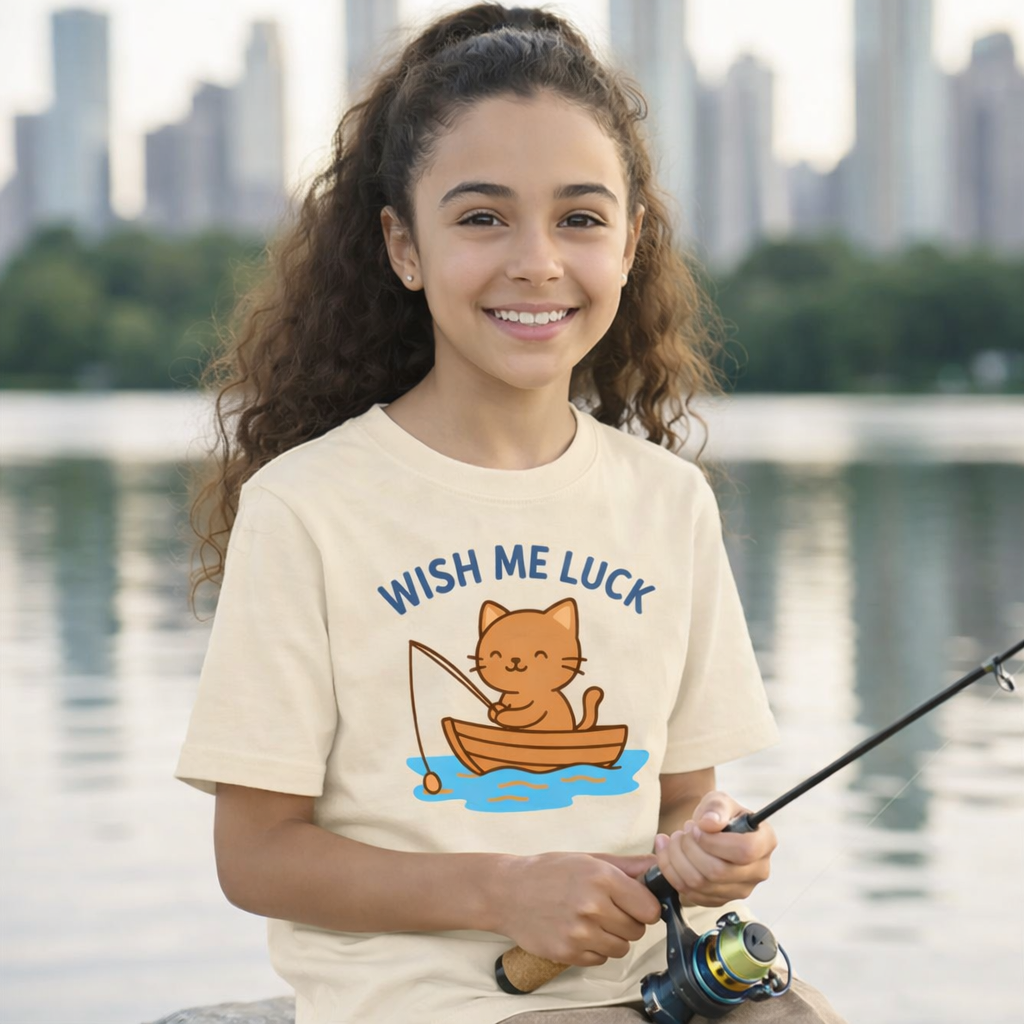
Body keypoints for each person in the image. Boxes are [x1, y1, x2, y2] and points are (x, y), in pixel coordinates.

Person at [176, 5, 847, 1024]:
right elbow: (256, 854)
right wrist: (502, 889)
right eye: (482, 217)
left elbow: (680, 797)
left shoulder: (668, 502)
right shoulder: (306, 508)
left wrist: (714, 841)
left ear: (629, 244)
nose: (536, 261)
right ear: (404, 245)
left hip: (651, 981)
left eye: (579, 217)